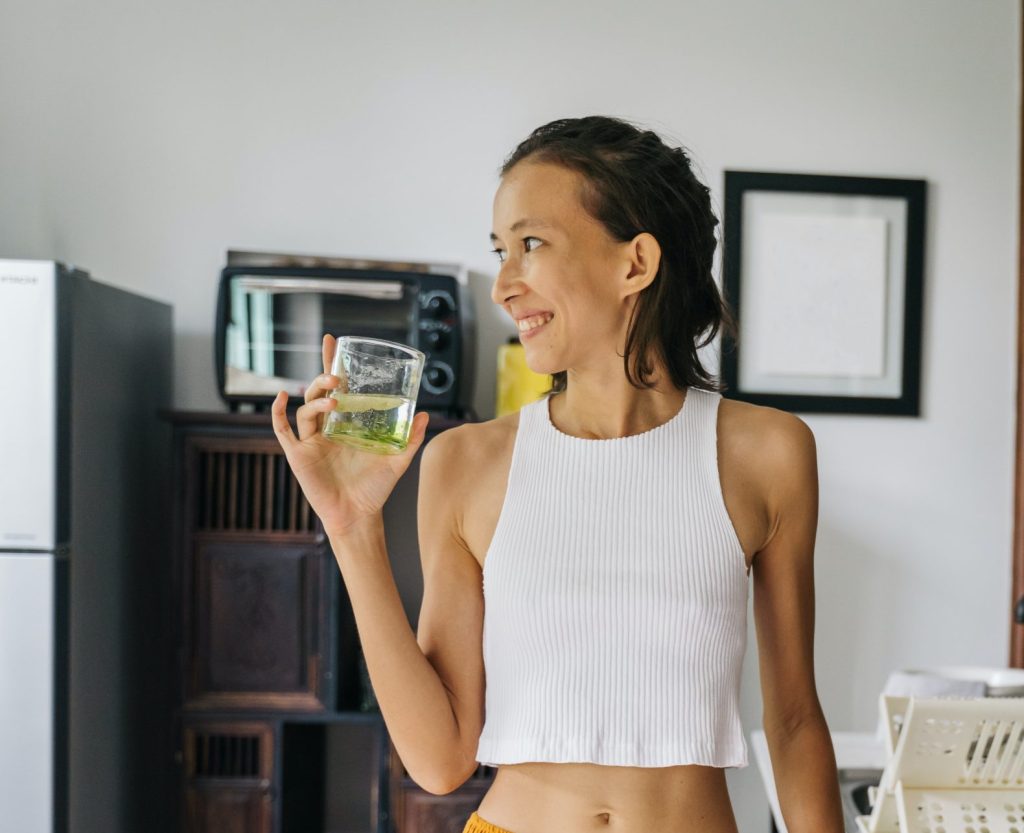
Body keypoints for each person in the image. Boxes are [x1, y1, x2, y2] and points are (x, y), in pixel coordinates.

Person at [271, 115, 845, 833]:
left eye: (530, 244)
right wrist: (352, 528)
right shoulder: (464, 461)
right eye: (499, 251)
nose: (503, 285)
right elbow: (440, 758)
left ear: (635, 262)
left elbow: (793, 721)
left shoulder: (768, 452)